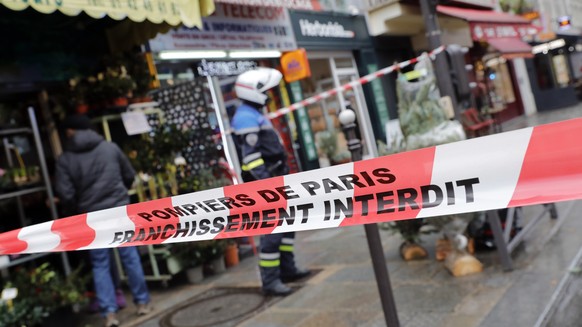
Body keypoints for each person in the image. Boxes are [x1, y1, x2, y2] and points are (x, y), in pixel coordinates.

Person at [54, 114, 151, 327]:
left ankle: (109, 314)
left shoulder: (66, 159)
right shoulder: (109, 147)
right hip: (119, 209)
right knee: (130, 255)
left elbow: (66, 193)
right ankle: (142, 303)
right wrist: (119, 195)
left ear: (71, 132)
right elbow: (129, 175)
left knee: (100, 264)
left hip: (91, 216)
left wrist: (76, 209)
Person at [231, 67, 310, 296]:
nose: (268, 94)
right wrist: (267, 183)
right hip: (266, 184)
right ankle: (270, 281)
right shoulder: (246, 116)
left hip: (276, 179)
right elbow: (251, 157)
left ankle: (288, 269)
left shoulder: (253, 113)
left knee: (287, 227)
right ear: (253, 91)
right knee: (272, 232)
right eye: (265, 90)